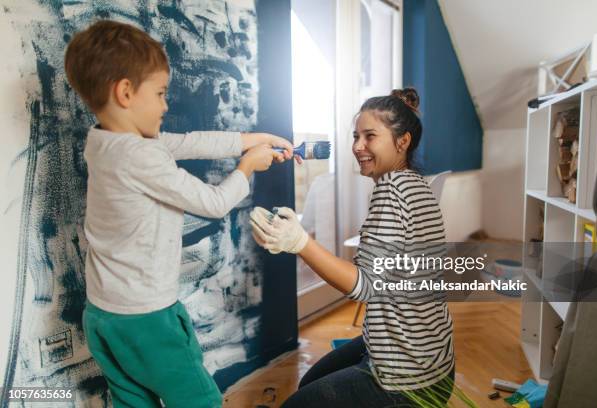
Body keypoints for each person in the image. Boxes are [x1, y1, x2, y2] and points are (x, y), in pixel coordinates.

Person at [64, 20, 293, 408]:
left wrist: (252, 140)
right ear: (125, 92)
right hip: (148, 319)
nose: (166, 104)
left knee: (131, 400)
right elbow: (214, 203)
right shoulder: (142, 156)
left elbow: (188, 142)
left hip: (104, 315)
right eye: (160, 93)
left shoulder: (104, 142)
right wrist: (248, 167)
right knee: (198, 399)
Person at [250, 88, 455, 407]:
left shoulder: (392, 194)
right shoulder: (415, 184)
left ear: (403, 142)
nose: (358, 146)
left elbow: (364, 287)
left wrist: (300, 242)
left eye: (370, 136)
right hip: (431, 357)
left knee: (297, 404)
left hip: (408, 381)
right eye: (356, 136)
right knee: (310, 382)